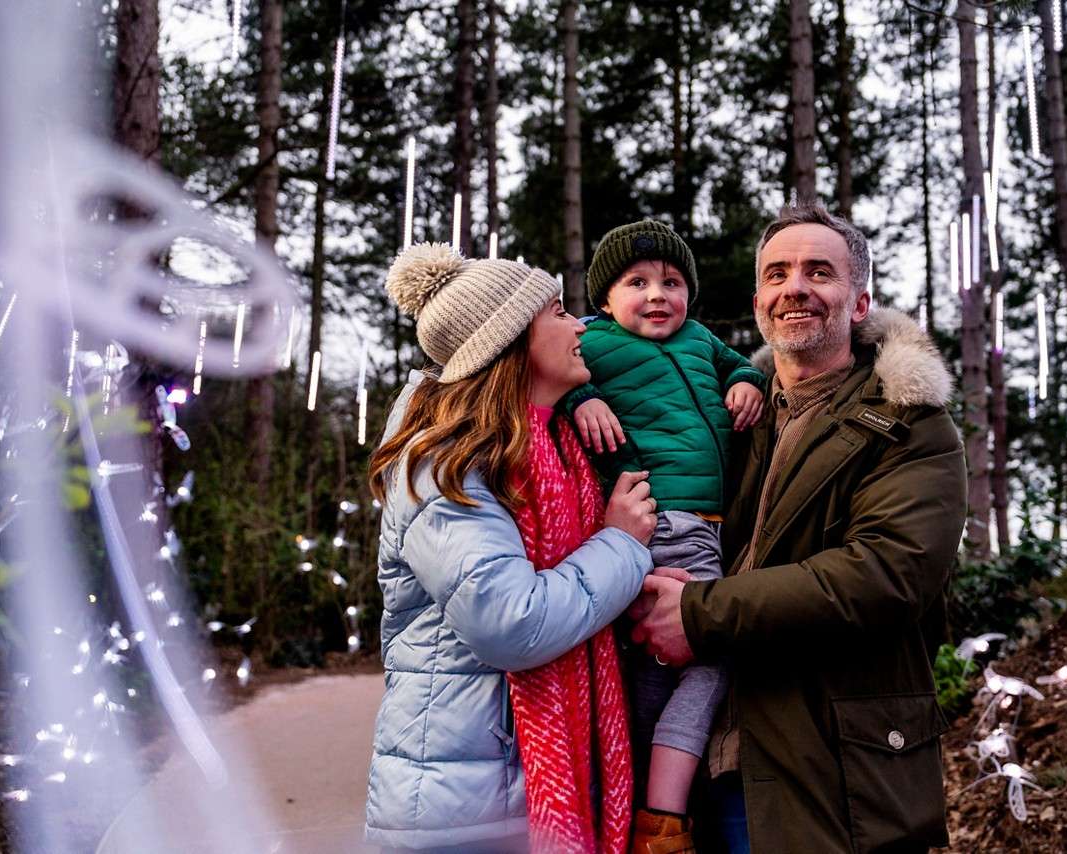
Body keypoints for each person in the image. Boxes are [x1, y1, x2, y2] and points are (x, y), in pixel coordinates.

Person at [631, 203, 968, 853]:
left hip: (831, 768)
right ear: (758, 298)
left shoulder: (908, 422)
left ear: (860, 300)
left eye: (820, 272)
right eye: (778, 273)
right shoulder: (730, 417)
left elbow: (887, 575)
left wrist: (699, 613)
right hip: (702, 757)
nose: (796, 288)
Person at [363, 242, 661, 854]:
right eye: (556, 313)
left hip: (506, 793)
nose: (578, 324)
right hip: (463, 810)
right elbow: (511, 621)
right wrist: (622, 545)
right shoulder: (443, 466)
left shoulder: (557, 450)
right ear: (508, 343)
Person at [564, 221, 766, 854]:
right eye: (637, 282)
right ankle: (664, 816)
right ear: (604, 300)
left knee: (656, 666)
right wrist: (583, 400)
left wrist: (745, 383)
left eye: (672, 282)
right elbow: (547, 374)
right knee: (714, 659)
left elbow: (747, 368)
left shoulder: (703, 340)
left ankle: (641, 818)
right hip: (656, 517)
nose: (657, 295)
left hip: (707, 528)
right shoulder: (594, 342)